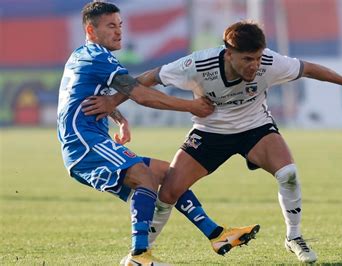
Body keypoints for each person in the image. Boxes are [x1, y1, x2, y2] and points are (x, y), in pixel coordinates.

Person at [84, 20, 342, 263]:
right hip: (209, 133)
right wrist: (113, 100)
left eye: (258, 58)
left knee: (288, 174)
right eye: (248, 59)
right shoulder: (197, 64)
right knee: (170, 191)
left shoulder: (270, 63)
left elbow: (309, 69)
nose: (255, 65)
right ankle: (140, 256)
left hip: (255, 127)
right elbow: (149, 78)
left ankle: (294, 237)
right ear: (228, 53)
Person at [58, 3, 259, 265]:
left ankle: (217, 235)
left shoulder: (82, 55)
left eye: (120, 25)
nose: (119, 32)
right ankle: (140, 255)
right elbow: (140, 95)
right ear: (90, 29)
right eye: (111, 26)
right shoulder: (99, 57)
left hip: (88, 143)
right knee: (145, 177)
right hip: (85, 144)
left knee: (169, 175)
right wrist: (191, 106)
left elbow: (85, 98)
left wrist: (118, 117)